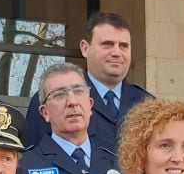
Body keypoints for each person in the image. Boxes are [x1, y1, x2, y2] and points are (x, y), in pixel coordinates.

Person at [24, 12, 152, 147]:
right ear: (85, 48)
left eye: (124, 46)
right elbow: (33, 155)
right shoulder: (51, 99)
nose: (116, 53)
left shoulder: (147, 103)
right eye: (107, 44)